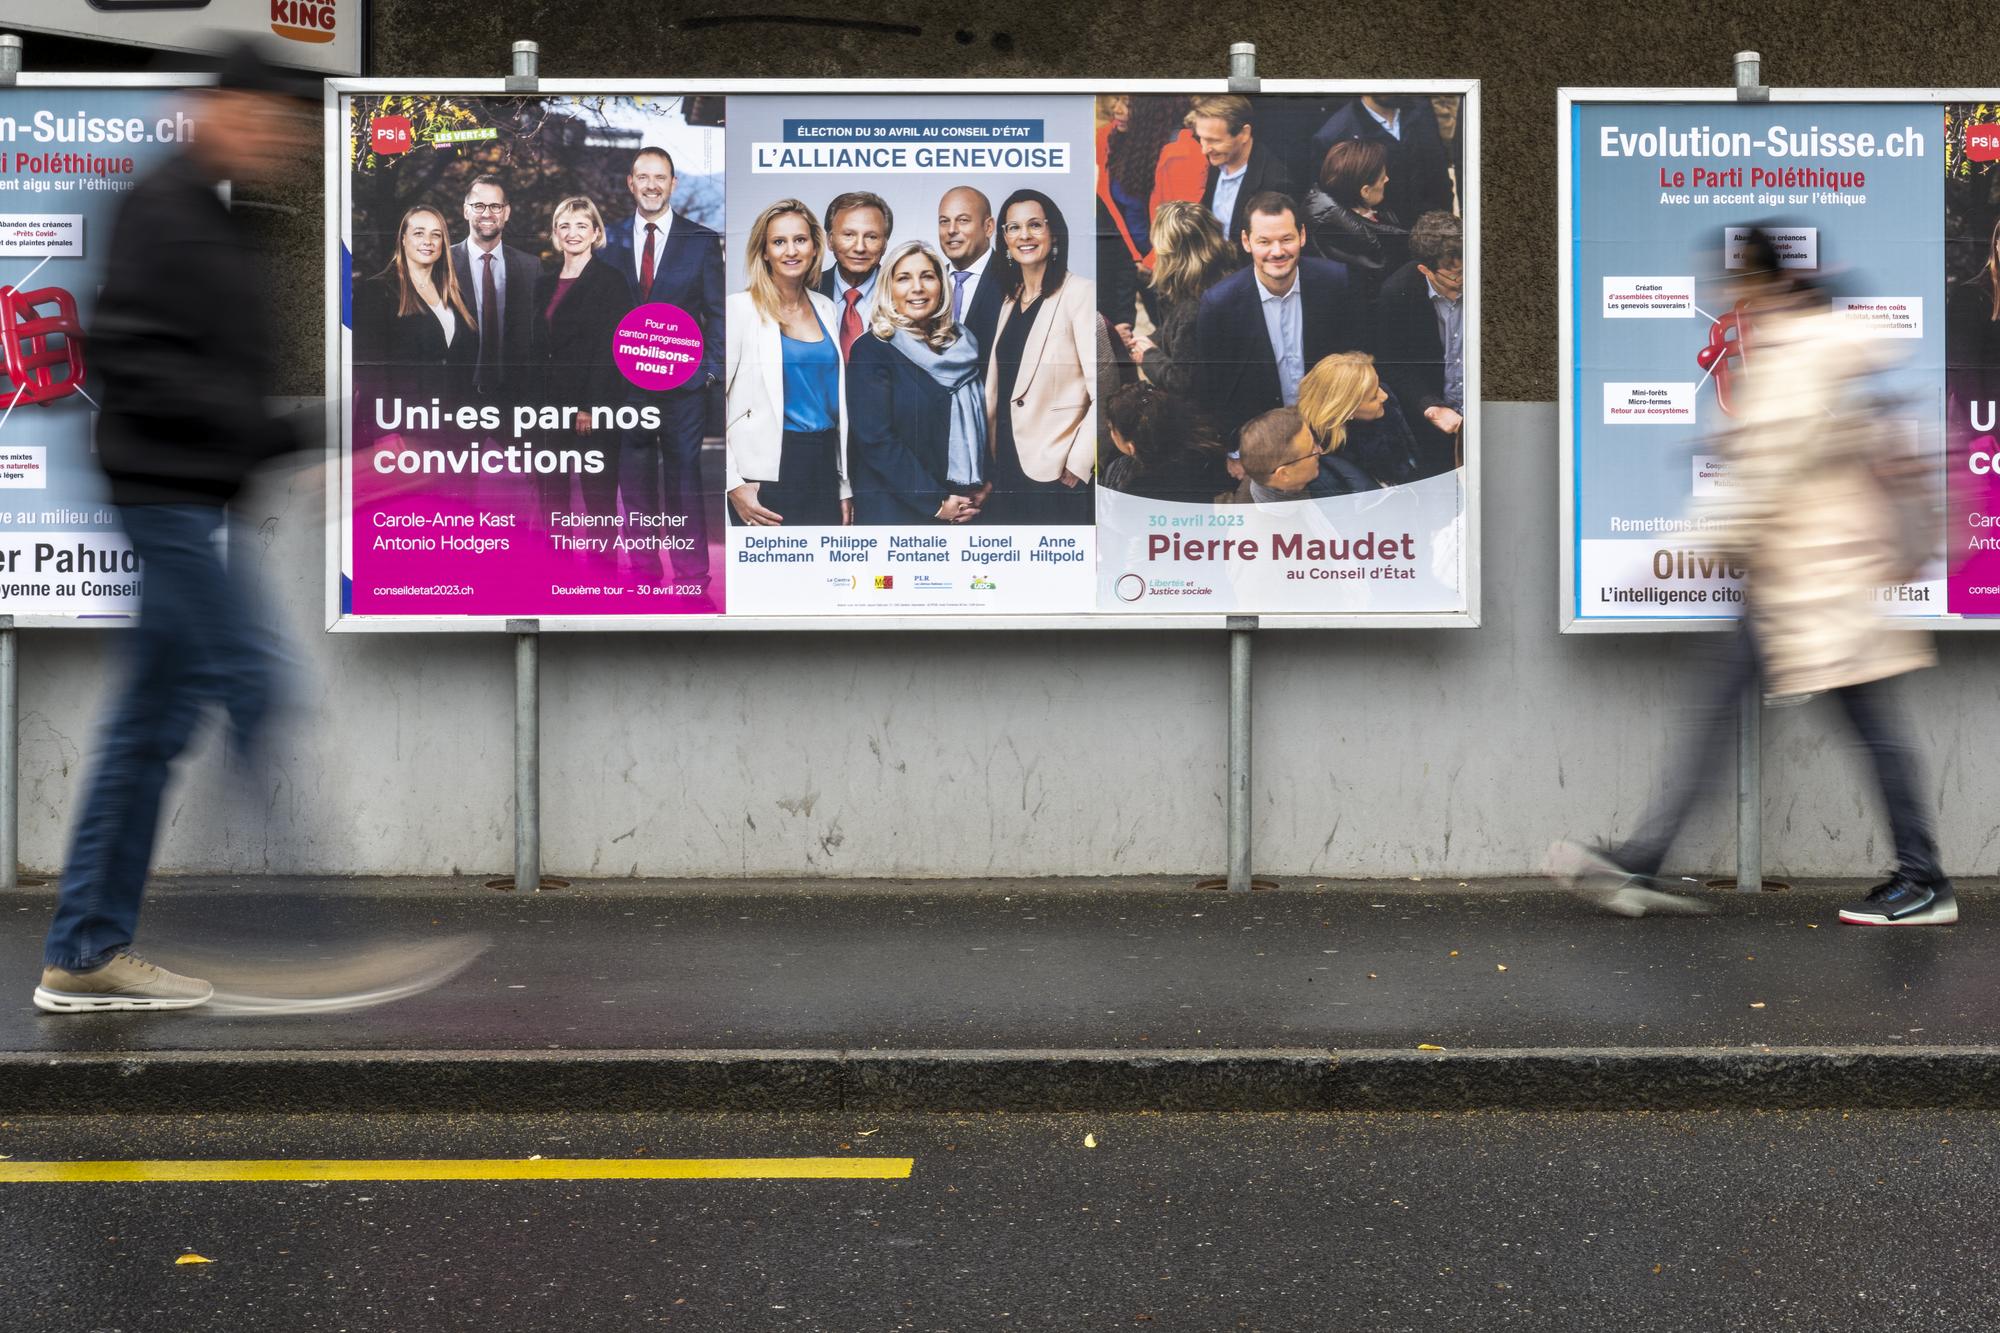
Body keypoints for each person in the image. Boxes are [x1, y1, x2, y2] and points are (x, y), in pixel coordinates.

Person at [1551, 226, 1952, 926]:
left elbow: (1762, 483)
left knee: (1869, 726)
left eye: (1731, 285)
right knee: (1724, 716)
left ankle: (1923, 879)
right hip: (1791, 581)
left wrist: (1663, 557)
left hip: (1819, 582)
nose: (1723, 298)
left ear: (1761, 285)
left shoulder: (1797, 359)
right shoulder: (1795, 352)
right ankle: (1643, 858)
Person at [35, 41, 314, 1013]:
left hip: (191, 499)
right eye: (271, 119)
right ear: (221, 107)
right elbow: (130, 356)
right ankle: (305, 938)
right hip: (164, 502)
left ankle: (85, 949)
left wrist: (285, 437)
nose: (281, 140)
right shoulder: (164, 208)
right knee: (256, 683)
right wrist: (276, 428)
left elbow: (213, 372)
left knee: (148, 728)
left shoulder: (213, 218)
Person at [604, 146, 724, 589]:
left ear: (674, 184)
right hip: (626, 388)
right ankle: (643, 575)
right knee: (633, 484)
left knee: (684, 482)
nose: (652, 185)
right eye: (643, 176)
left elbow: (717, 313)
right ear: (631, 183)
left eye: (661, 177)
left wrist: (707, 372)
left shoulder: (702, 240)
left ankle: (693, 576)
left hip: (684, 387)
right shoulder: (609, 240)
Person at [1192, 192, 1369, 445]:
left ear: (1302, 236)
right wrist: (1234, 450)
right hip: (1264, 445)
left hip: (1332, 434)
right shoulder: (1220, 304)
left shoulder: (1336, 282)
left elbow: (1356, 359)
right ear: (1246, 241)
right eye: (1264, 241)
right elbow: (1214, 389)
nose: (1277, 252)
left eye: (1286, 239)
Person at [724, 199, 850, 527]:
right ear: (764, 251)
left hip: (822, 464)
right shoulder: (740, 309)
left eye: (800, 240)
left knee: (823, 575)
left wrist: (843, 484)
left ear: (814, 246)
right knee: (768, 575)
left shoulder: (826, 307)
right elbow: (710, 404)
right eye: (779, 242)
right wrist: (733, 484)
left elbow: (834, 405)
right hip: (767, 470)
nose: (790, 250)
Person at [847, 241, 988, 525]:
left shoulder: (963, 345)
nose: (917, 287)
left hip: (961, 506)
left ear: (941, 284)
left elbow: (987, 424)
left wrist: (981, 487)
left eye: (927, 276)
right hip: (895, 509)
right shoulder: (872, 349)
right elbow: (876, 441)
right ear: (889, 290)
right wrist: (937, 502)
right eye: (903, 278)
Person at [984, 189, 1097, 525]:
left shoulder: (1080, 293)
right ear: (1004, 238)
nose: (1024, 236)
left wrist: (1079, 461)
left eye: (1035, 225)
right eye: (1014, 228)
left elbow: (1104, 388)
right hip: (1005, 460)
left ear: (1053, 232)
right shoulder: (1009, 300)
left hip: (1055, 468)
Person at [533, 195, 628, 522]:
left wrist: (589, 407)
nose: (572, 233)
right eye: (564, 226)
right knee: (551, 498)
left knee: (598, 499)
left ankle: (602, 572)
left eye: (581, 225)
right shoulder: (542, 283)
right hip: (548, 407)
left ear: (595, 233)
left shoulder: (611, 282)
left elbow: (609, 349)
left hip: (592, 408)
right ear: (556, 234)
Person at [356, 204, 479, 402]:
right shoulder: (377, 292)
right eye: (419, 233)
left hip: (452, 422)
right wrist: (385, 431)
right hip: (402, 423)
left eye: (436, 235)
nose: (428, 242)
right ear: (403, 239)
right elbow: (370, 374)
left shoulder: (455, 297)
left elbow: (464, 370)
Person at [1376, 210, 1465, 477]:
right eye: (1455, 275)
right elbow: (1394, 363)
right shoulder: (1398, 293)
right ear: (1425, 269)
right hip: (1435, 428)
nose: (1463, 280)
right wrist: (1429, 404)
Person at [448, 175, 541, 409]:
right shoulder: (442, 263)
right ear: (465, 211)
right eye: (478, 205)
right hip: (454, 399)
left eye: (496, 206)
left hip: (514, 401)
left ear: (506, 212)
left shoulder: (531, 267)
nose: (487, 213)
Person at [1130, 199, 1235, 402]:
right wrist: (1154, 340)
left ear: (1176, 256)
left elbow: (1184, 383)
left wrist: (1149, 356)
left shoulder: (1193, 309)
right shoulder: (1220, 276)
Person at [1311, 94, 1455, 226]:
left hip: (1433, 233)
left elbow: (1440, 174)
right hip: (1385, 241)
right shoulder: (1336, 135)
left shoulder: (1421, 108)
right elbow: (1338, 211)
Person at [1306, 138, 1409, 300]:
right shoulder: (1347, 241)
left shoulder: (1367, 212)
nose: (1387, 179)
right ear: (1365, 191)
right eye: (1382, 178)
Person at [1101, 381, 1230, 504]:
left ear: (1131, 447)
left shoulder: (1128, 491)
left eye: (1112, 429)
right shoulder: (1206, 449)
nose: (1111, 434)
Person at [1192, 95, 1295, 248]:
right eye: (1202, 138)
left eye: (1215, 140)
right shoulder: (1216, 162)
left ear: (1244, 134)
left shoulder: (1275, 182)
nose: (1204, 150)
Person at [1295, 352, 1400, 497]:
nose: (1384, 396)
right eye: (1373, 397)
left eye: (1378, 386)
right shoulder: (1321, 471)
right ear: (1345, 412)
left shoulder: (1385, 411)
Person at [937, 185, 1003, 376]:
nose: (951, 230)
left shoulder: (1015, 280)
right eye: (944, 221)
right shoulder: (927, 282)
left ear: (988, 227)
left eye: (963, 220)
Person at [817, 191, 892, 358]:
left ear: (885, 244)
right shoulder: (807, 291)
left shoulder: (902, 295)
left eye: (871, 237)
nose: (859, 247)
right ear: (830, 240)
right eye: (849, 235)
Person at [1218, 406, 1324, 503]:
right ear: (1284, 474)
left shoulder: (1263, 474)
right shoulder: (1268, 521)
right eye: (1311, 451)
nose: (1320, 450)